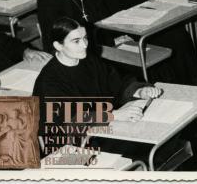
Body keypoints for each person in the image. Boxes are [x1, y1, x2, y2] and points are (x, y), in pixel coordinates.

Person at [32, 17, 162, 151]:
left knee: (156, 132)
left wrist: (139, 91)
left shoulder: (89, 61)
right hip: (75, 144)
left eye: (85, 38)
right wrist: (115, 115)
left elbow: (116, 82)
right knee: (148, 145)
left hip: (102, 130)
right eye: (76, 41)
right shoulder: (49, 81)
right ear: (58, 45)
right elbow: (69, 121)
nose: (84, 45)